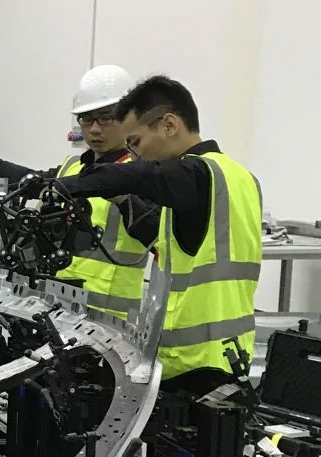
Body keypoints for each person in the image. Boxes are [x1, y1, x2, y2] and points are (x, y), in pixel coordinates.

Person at [54, 75, 262, 396]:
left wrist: (62, 186)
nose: (135, 154)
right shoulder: (240, 177)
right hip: (230, 354)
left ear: (169, 125)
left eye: (135, 142)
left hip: (193, 364)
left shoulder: (195, 174)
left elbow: (139, 175)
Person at [0, 64, 156, 319]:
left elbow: (157, 238)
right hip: (59, 314)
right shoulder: (72, 167)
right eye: (86, 119)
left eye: (106, 118)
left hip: (112, 322)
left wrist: (122, 198)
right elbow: (27, 181)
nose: (95, 129)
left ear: (129, 118)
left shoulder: (143, 174)